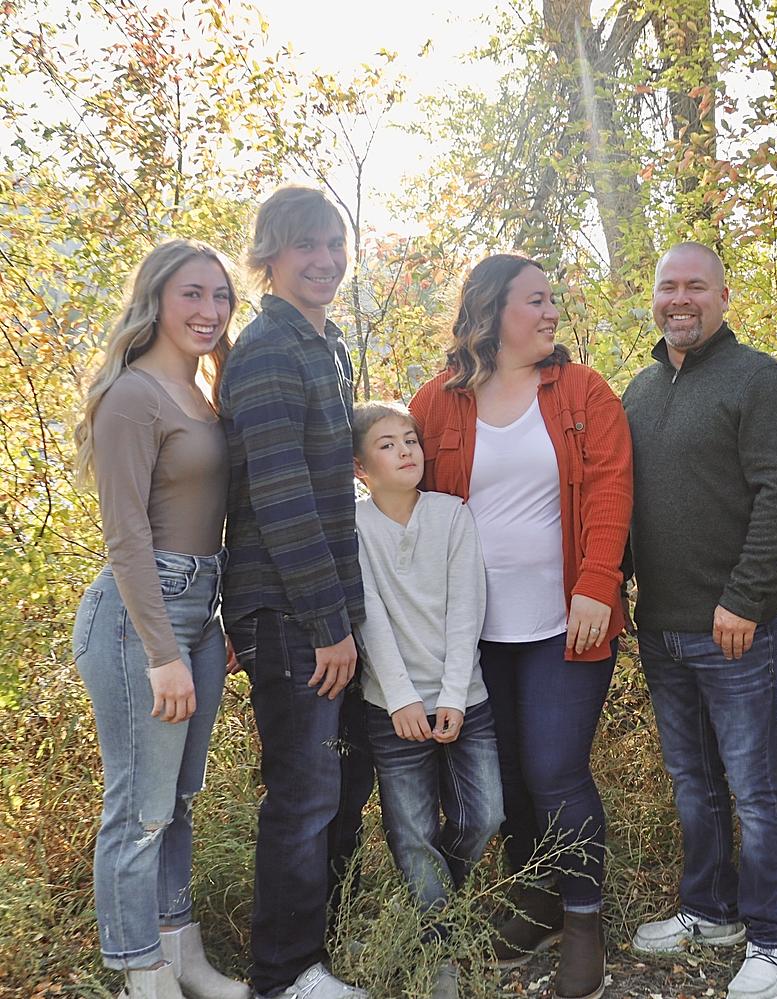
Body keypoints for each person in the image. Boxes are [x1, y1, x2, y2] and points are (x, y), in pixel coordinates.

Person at [408, 253, 633, 999]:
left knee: (555, 769)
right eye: (534, 299)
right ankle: (534, 902)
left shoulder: (581, 391)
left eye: (551, 299)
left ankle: (583, 922)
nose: (550, 311)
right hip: (473, 630)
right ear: (492, 310)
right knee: (503, 777)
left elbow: (610, 490)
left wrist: (597, 585)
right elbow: (399, 490)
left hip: (564, 622)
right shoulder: (438, 401)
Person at [624, 242, 777, 999]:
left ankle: (774, 939)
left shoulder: (758, 380)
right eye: (668, 286)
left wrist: (743, 596)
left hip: (735, 628)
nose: (680, 299)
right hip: (661, 628)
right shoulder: (639, 390)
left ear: (723, 297)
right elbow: (626, 503)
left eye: (695, 286)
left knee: (756, 787)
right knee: (692, 780)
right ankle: (710, 910)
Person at [71, 239, 249, 999]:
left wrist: (218, 615)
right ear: (156, 299)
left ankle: (182, 955)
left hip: (200, 609)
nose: (210, 310)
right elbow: (126, 537)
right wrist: (161, 653)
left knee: (175, 802)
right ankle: (140, 971)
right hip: (139, 619)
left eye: (220, 295)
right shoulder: (131, 396)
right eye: (192, 294)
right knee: (138, 807)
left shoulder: (202, 392)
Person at [218, 185, 368, 999]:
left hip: (324, 605)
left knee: (342, 785)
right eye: (305, 244)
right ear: (268, 257)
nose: (325, 259)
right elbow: (281, 499)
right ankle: (282, 974)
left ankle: (317, 952)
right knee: (304, 796)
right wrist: (327, 623)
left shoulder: (324, 343)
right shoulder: (270, 350)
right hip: (288, 609)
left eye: (333, 242)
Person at [350, 400, 502, 999]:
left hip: (466, 697)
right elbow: (369, 619)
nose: (405, 451)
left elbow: (467, 610)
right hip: (392, 708)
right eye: (386, 445)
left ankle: (436, 901)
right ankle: (440, 946)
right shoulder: (355, 527)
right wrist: (401, 699)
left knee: (485, 814)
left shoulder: (451, 515)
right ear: (361, 467)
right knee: (411, 829)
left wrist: (454, 697)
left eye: (410, 440)